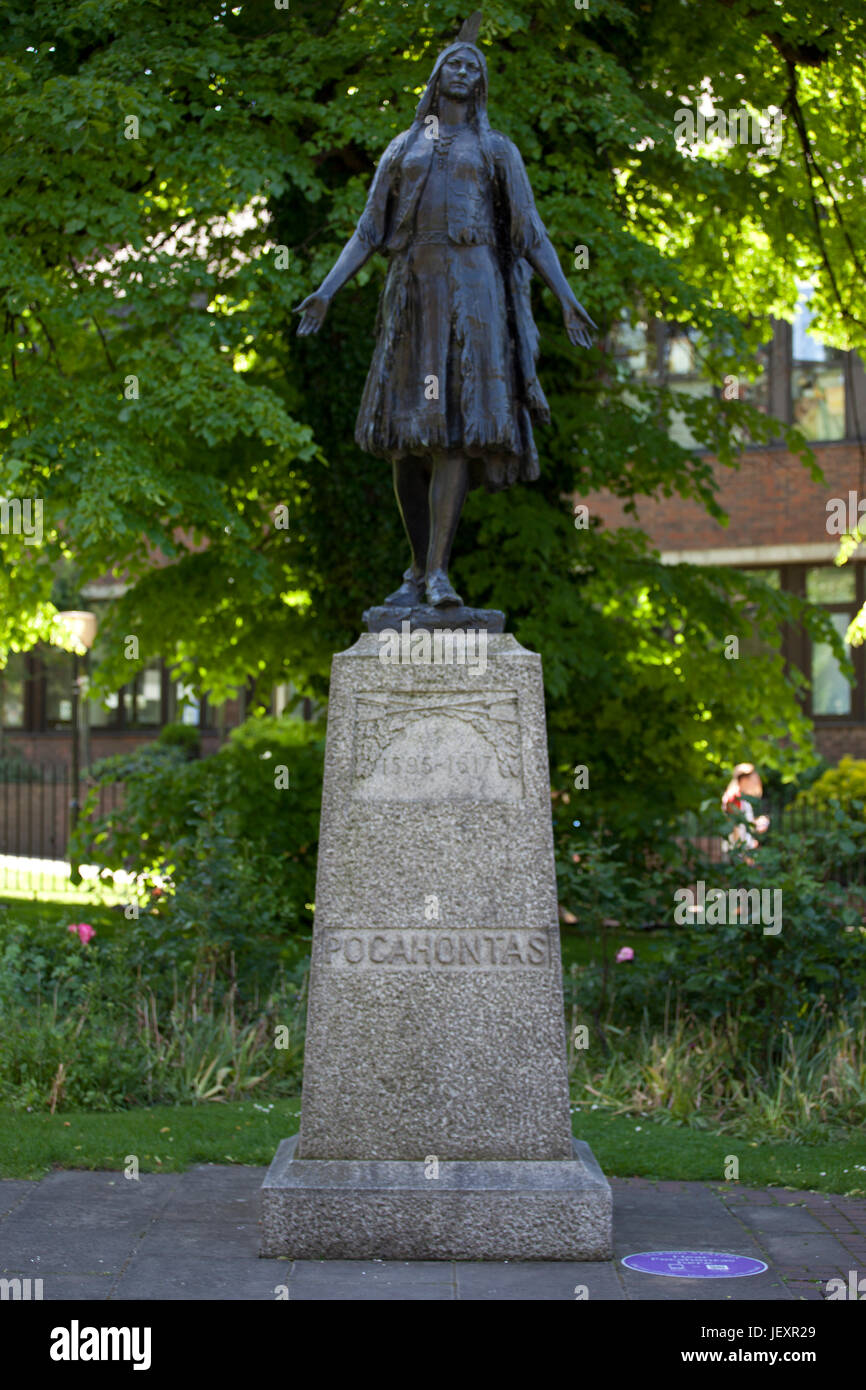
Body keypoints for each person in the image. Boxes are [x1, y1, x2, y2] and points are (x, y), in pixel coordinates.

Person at [295, 27, 596, 608]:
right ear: (436, 77)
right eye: (453, 64)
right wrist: (326, 291)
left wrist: (565, 296)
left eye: (472, 67)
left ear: (480, 83)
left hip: (475, 290)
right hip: (413, 290)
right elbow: (367, 231)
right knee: (406, 438)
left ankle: (438, 573)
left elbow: (530, 232)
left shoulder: (495, 149)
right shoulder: (402, 148)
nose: (462, 72)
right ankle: (415, 567)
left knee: (454, 434)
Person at [721, 762, 770, 853]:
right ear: (744, 779)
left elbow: (742, 824)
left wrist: (755, 824)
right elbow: (735, 826)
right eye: (753, 779)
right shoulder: (734, 797)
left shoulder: (742, 798)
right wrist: (742, 854)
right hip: (736, 853)